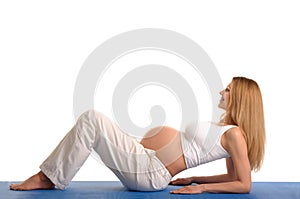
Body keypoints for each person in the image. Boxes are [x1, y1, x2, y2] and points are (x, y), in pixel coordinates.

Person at [10, 76, 266, 194]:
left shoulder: (235, 135)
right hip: (147, 162)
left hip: (151, 172)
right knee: (93, 122)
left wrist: (201, 190)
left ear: (241, 98)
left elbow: (243, 184)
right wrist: (194, 179)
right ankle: (51, 176)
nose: (221, 92)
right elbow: (233, 175)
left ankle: (48, 177)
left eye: (228, 90)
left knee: (92, 119)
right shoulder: (229, 131)